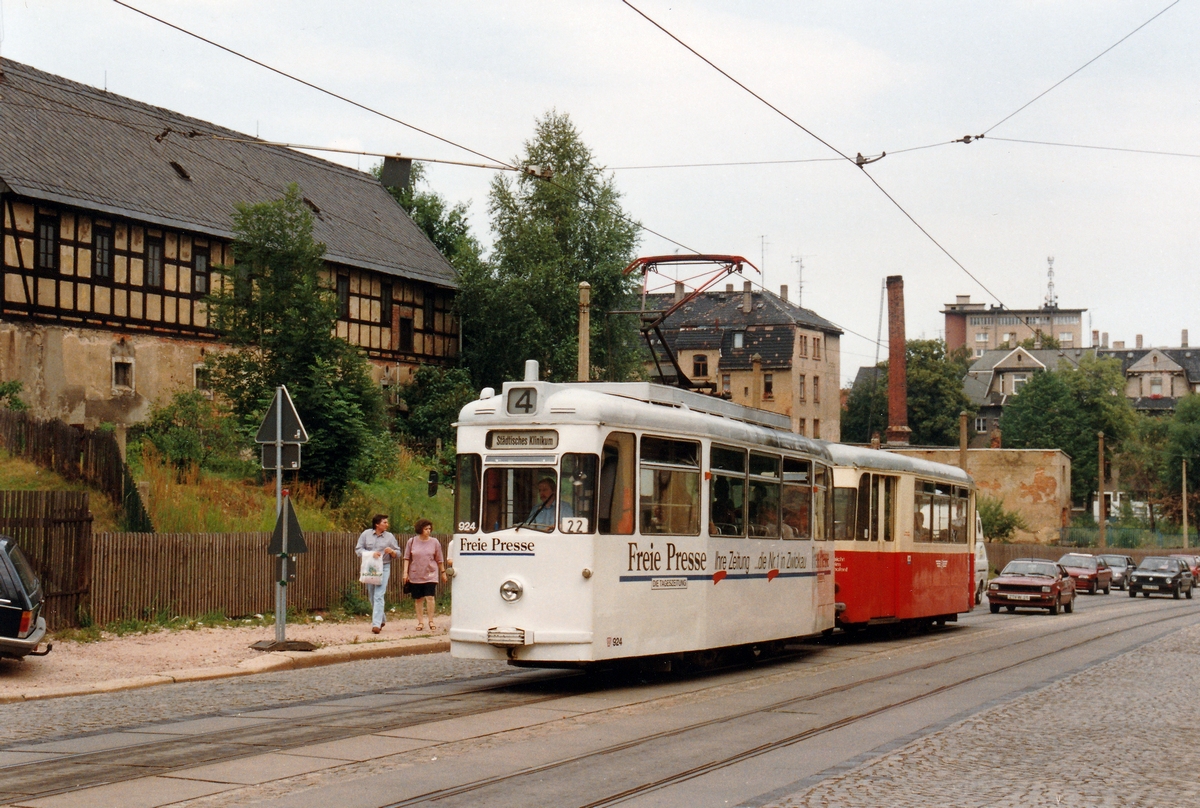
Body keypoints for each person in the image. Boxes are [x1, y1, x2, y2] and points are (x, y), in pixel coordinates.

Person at [355, 514, 399, 634]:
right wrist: (371, 554)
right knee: (372, 594)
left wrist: (392, 552)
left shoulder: (389, 537)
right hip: (370, 566)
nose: (387, 524)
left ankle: (376, 625)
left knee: (379, 594)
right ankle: (382, 618)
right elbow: (358, 549)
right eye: (384, 522)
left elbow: (398, 552)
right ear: (377, 524)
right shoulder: (365, 534)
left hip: (384, 566)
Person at [403, 518, 447, 631]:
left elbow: (439, 559)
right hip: (416, 574)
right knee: (418, 599)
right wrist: (405, 573)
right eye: (426, 529)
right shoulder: (411, 541)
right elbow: (407, 558)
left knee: (430, 597)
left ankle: (431, 620)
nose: (428, 531)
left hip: (431, 574)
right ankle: (420, 622)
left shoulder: (435, 542)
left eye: (429, 529)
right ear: (420, 529)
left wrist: (443, 572)